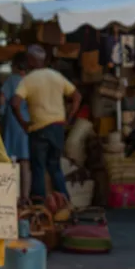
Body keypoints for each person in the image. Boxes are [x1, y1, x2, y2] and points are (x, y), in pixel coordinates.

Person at [11, 45, 81, 204]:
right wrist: (68, 119)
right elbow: (77, 96)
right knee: (55, 167)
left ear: (30, 61)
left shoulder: (27, 80)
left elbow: (14, 103)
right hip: (57, 127)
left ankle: (40, 206)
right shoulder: (57, 76)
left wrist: (23, 123)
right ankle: (65, 203)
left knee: (38, 168)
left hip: (39, 129)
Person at [0, 52, 31, 200]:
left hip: (13, 124)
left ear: (15, 66)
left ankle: (10, 196)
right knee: (25, 162)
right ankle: (25, 197)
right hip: (27, 124)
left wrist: (0, 112)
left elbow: (1, 99)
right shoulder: (31, 81)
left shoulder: (11, 81)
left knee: (11, 161)